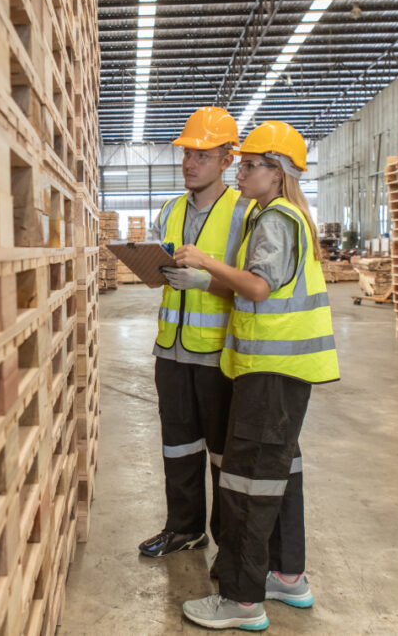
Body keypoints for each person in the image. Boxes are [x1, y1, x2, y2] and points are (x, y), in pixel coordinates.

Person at [173, 120, 340, 631]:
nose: (240, 173)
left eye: (249, 166)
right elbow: (257, 287)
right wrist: (204, 280)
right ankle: (288, 576)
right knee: (279, 474)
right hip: (285, 372)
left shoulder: (274, 219)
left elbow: (259, 288)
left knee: (247, 484)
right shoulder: (287, 216)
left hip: (270, 372)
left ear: (278, 172)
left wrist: (206, 262)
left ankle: (242, 600)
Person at [137, 107, 256, 559]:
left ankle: (229, 543)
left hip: (219, 354)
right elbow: (158, 267)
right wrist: (150, 268)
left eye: (202, 155)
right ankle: (184, 528)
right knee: (178, 446)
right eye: (187, 153)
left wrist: (207, 281)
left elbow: (256, 285)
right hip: (170, 350)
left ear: (227, 160)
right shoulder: (171, 209)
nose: (190, 163)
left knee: (224, 454)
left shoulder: (244, 211)